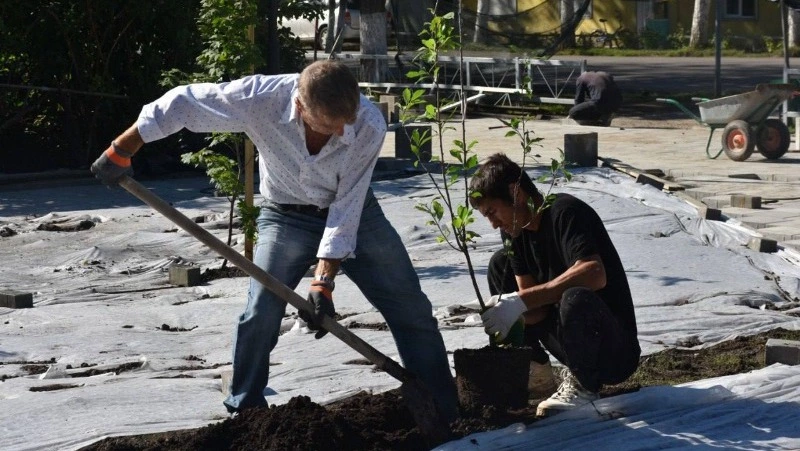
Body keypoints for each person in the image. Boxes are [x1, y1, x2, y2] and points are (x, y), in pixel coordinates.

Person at [90, 60, 459, 422]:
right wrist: (122, 148)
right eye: (326, 126)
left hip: (358, 215)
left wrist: (323, 281)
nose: (338, 133)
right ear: (300, 105)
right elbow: (184, 103)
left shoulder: (367, 122)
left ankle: (443, 408)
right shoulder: (260, 99)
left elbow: (347, 208)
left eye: (342, 125)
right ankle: (246, 413)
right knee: (261, 311)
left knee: (411, 309)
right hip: (286, 215)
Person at [468, 153, 640, 417]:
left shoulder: (566, 213)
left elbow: (595, 274)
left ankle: (584, 384)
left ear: (515, 193)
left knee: (574, 297)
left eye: (492, 212)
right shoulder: (514, 233)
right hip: (569, 341)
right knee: (500, 264)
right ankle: (537, 371)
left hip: (613, 350)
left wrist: (520, 301)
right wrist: (508, 313)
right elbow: (536, 308)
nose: (493, 224)